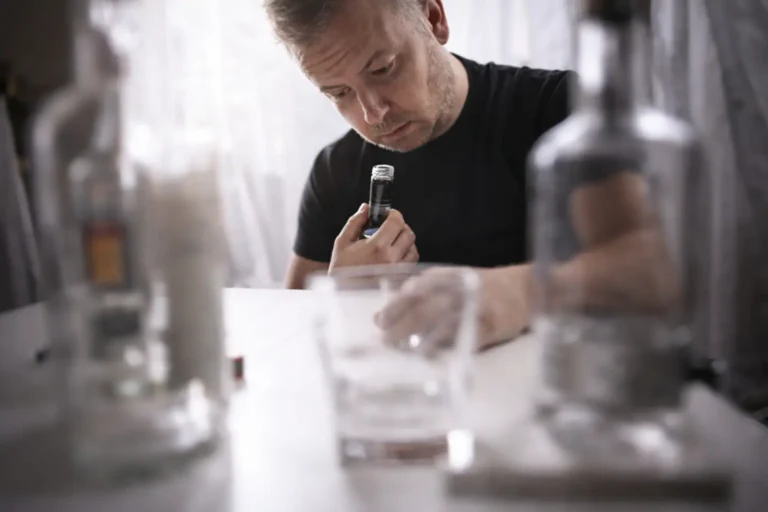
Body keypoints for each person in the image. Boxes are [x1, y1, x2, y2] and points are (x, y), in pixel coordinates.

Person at [265, 0, 572, 345]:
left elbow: (641, 267)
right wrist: (340, 297)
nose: (373, 114)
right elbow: (293, 338)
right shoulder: (334, 170)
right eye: (339, 93)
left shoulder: (564, 114)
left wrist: (519, 294)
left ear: (434, 18)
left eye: (383, 69)